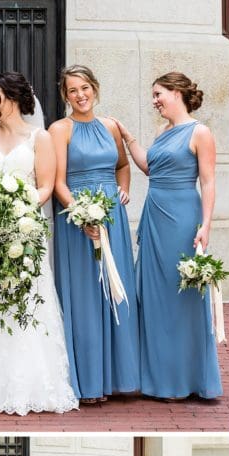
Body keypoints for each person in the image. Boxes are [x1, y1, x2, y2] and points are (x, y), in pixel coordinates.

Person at [0, 73, 78, 414]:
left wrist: (17, 206)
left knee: (26, 299)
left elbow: (45, 187)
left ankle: (28, 383)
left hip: (26, 227)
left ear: (11, 98)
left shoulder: (40, 138)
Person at [116, 72, 222, 399]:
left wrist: (205, 225)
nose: (155, 101)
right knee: (154, 296)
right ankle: (158, 378)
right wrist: (128, 137)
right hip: (155, 216)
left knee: (183, 297)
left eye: (158, 94)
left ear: (177, 93)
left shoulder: (200, 132)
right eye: (153, 95)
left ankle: (188, 378)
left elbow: (207, 182)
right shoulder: (163, 131)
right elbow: (149, 167)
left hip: (182, 218)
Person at [50, 66, 140, 403]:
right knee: (85, 294)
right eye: (72, 90)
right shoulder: (60, 129)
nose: (80, 95)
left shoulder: (111, 126)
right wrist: (80, 214)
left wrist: (124, 191)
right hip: (77, 220)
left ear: (95, 89)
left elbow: (122, 165)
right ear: (65, 96)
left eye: (85, 88)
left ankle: (120, 378)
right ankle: (88, 381)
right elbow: (58, 181)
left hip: (112, 216)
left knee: (117, 289)